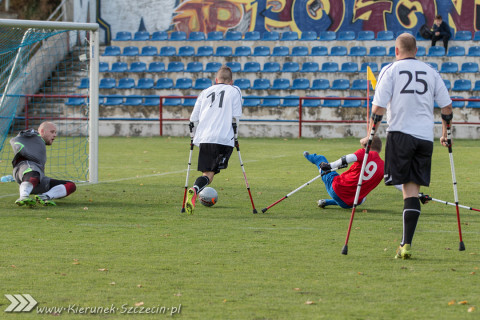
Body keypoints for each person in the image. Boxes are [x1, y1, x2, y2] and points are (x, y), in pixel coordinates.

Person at [368, 33, 453, 259]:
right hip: (424, 138)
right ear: (416, 51)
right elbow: (446, 108)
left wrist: (370, 135)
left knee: (407, 189)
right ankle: (405, 243)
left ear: (396, 51)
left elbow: (377, 110)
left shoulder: (390, 70)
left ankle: (405, 244)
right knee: (412, 189)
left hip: (400, 135)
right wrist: (446, 134)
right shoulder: (432, 72)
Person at [185, 66, 242, 214]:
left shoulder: (205, 92)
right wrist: (235, 137)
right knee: (210, 175)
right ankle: (196, 189)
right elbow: (235, 117)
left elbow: (193, 119)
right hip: (223, 138)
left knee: (207, 173)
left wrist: (193, 137)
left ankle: (195, 189)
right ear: (231, 81)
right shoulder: (235, 90)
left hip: (204, 137)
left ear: (216, 80)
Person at [303, 136, 384, 209]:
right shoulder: (383, 166)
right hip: (351, 203)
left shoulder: (365, 153)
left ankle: (308, 155)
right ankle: (326, 202)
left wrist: (330, 166)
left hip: (337, 189)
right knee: (363, 198)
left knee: (320, 158)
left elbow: (350, 157)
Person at [10, 121, 76, 207]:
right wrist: (31, 132)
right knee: (33, 172)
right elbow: (18, 137)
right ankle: (23, 197)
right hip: (25, 168)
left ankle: (45, 196)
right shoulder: (35, 135)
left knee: (70, 185)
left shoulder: (39, 143)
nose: (55, 135)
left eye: (55, 132)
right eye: (52, 132)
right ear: (42, 131)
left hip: (38, 178)